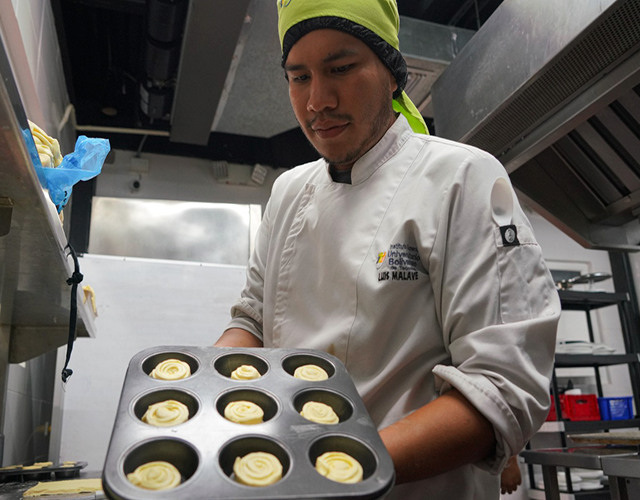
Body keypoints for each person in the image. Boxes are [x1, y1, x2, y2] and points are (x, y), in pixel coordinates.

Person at [215, 0, 560, 497]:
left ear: (392, 75)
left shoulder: (461, 178)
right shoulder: (289, 192)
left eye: (340, 68)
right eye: (299, 77)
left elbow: (502, 390)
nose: (318, 101)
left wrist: (332, 467)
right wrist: (201, 388)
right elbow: (250, 321)